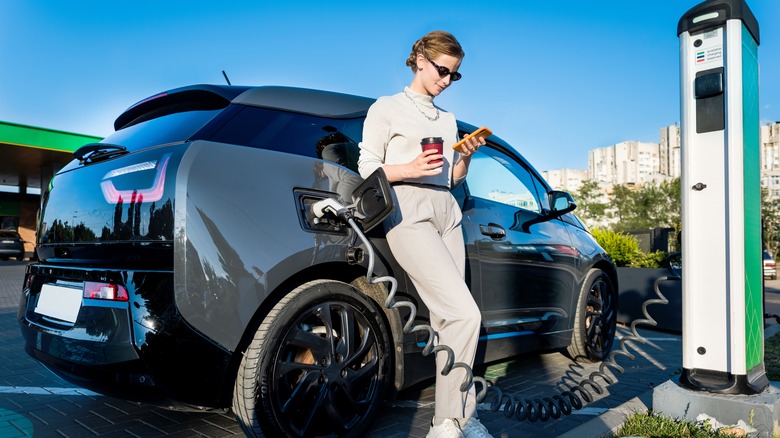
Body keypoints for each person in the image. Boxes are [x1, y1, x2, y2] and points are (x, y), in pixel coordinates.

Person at [357, 31, 492, 438]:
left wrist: (464, 159)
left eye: (455, 75)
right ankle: (448, 423)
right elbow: (367, 167)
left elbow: (450, 179)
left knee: (448, 321)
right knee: (465, 314)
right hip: (406, 208)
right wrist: (410, 169)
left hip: (446, 210)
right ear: (419, 59)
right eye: (442, 70)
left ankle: (456, 418)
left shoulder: (447, 120)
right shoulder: (387, 108)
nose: (447, 80)